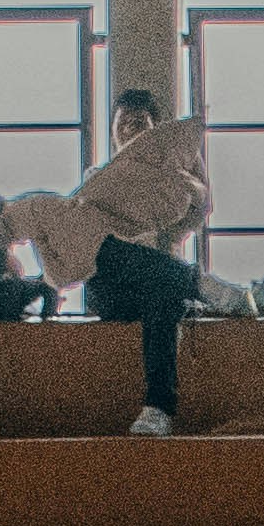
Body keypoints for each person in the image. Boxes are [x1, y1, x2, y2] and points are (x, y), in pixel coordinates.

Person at [60, 87, 213, 437]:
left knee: (164, 293)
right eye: (123, 124)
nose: (130, 130)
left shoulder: (175, 181)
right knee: (105, 245)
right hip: (113, 291)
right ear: (113, 131)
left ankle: (158, 407)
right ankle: (199, 283)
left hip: (157, 288)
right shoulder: (96, 177)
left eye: (140, 124)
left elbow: (198, 210)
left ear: (153, 130)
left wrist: (189, 176)